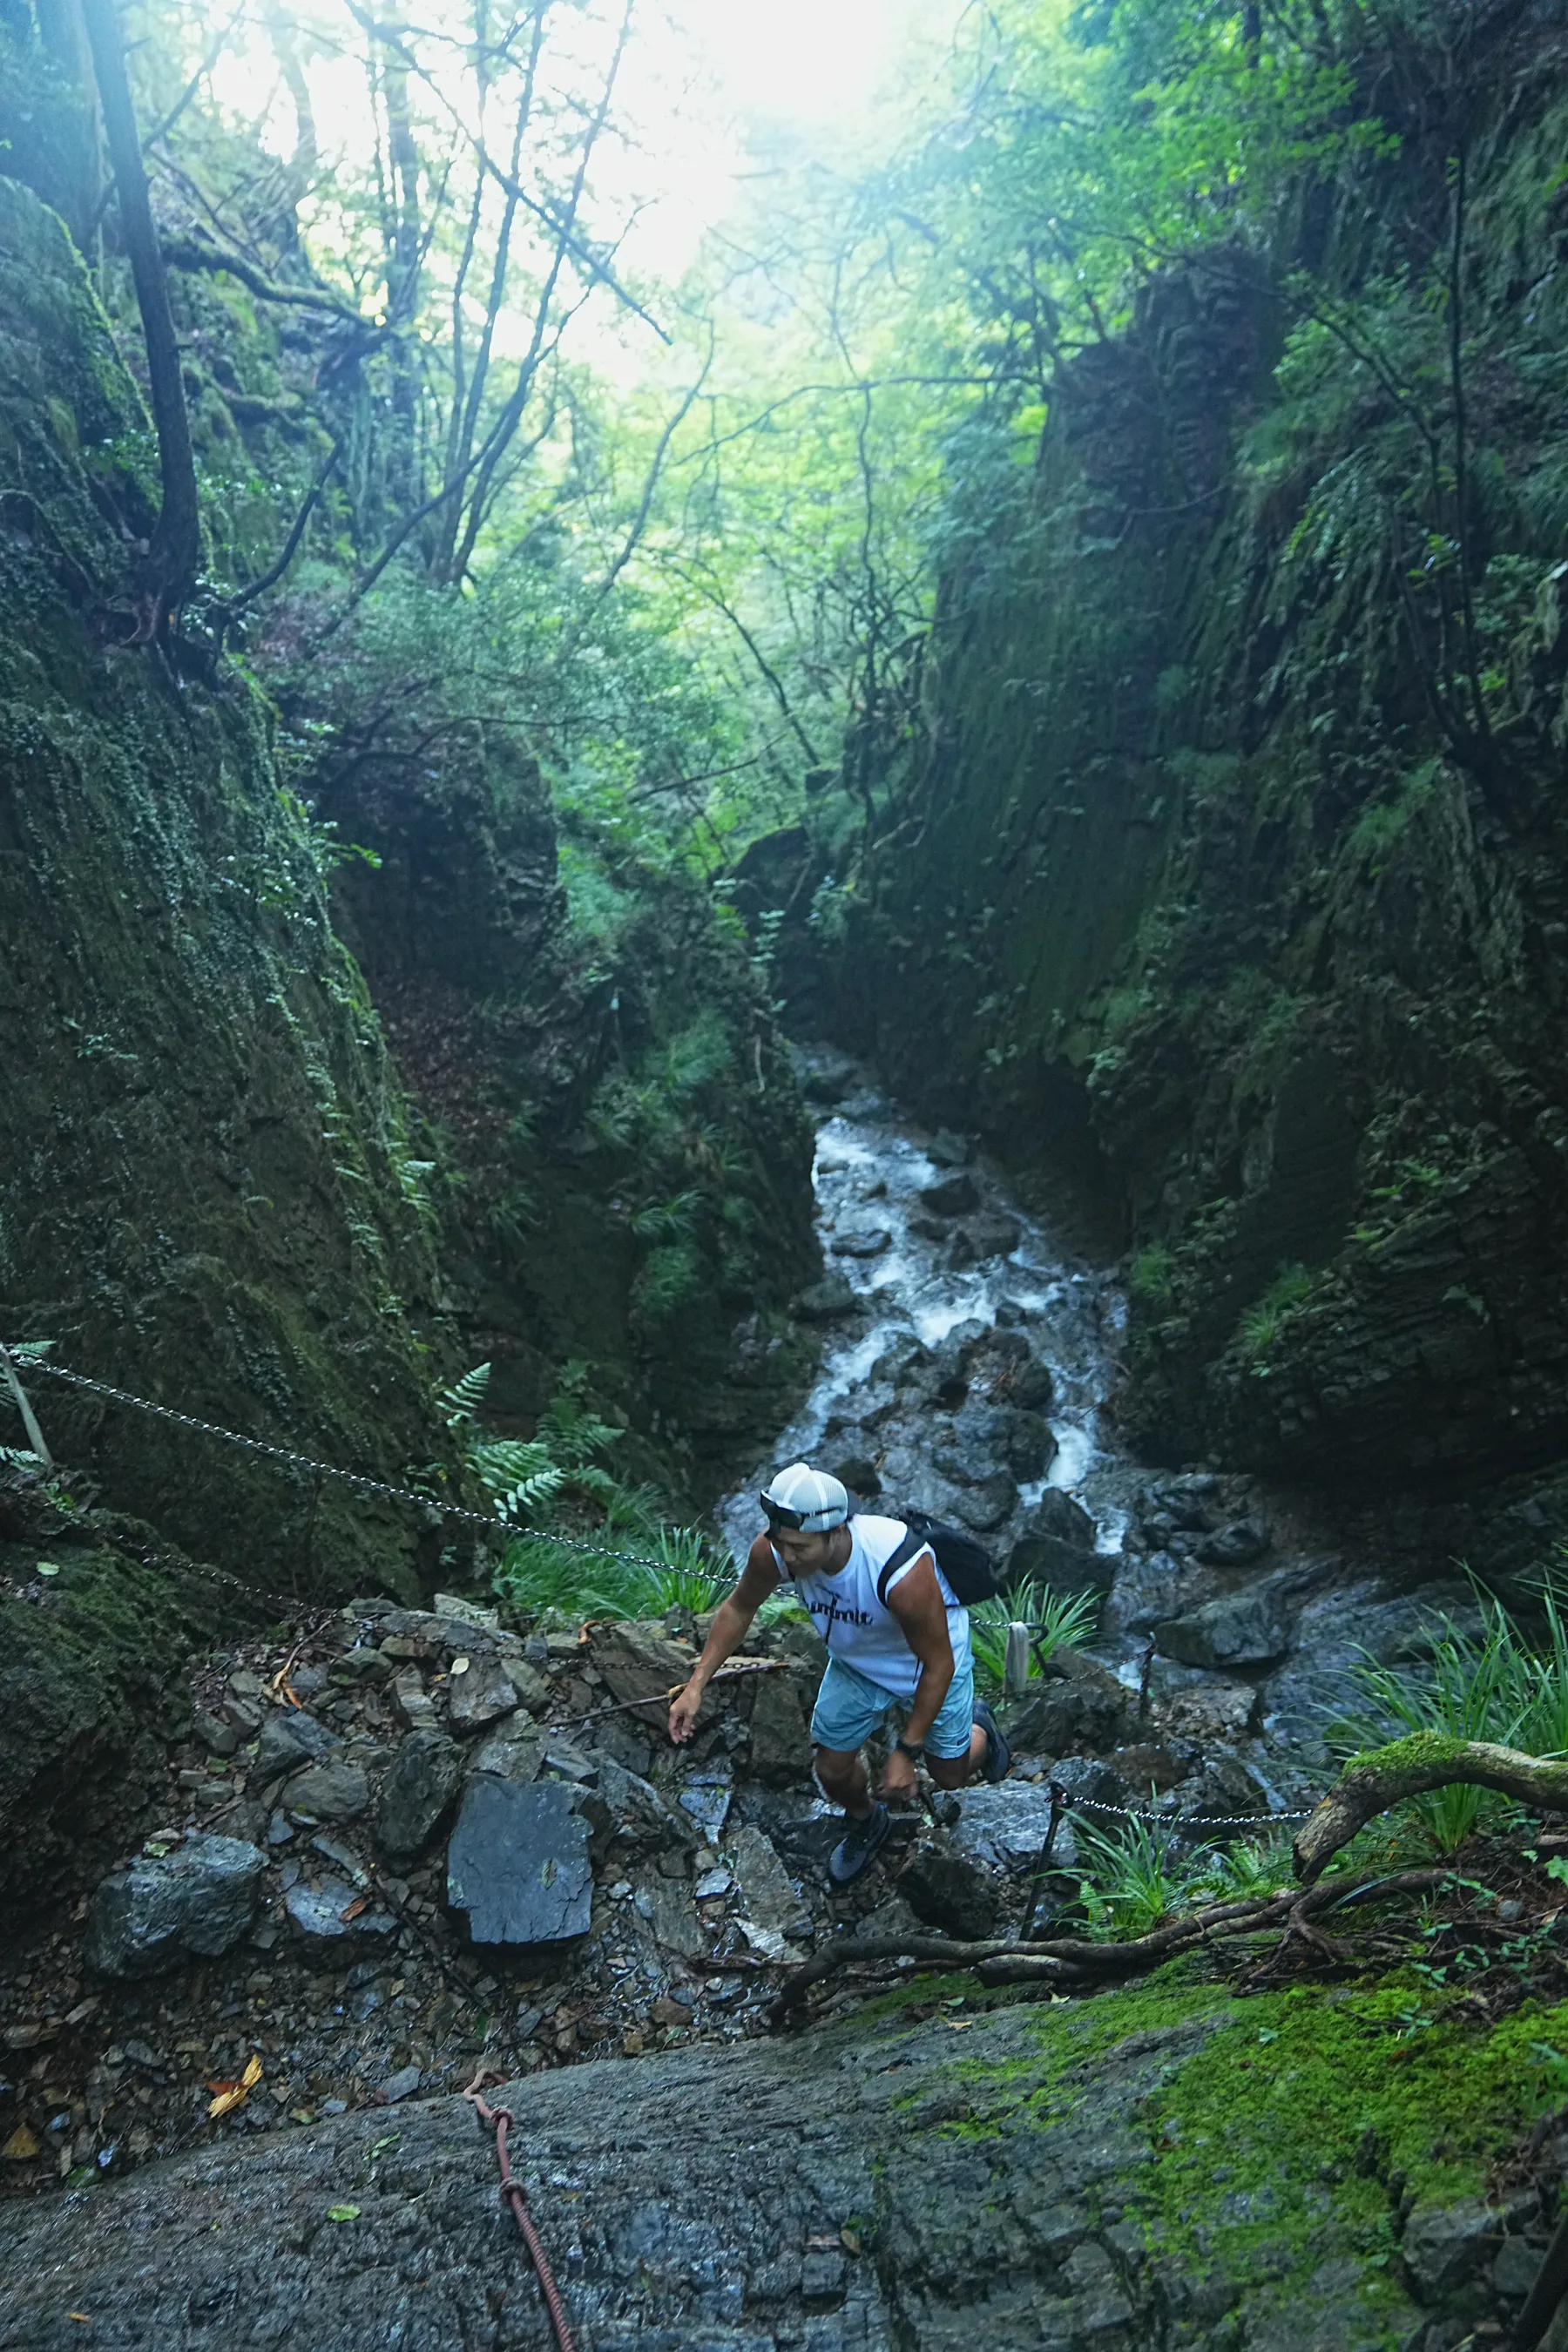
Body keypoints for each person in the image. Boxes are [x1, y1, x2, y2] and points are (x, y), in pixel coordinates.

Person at [668, 1462, 1010, 1886]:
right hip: (857, 1663)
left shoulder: (899, 1568)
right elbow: (739, 1607)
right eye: (781, 1542)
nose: (787, 1557)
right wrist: (696, 1685)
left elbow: (939, 1664)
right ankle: (869, 1822)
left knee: (950, 1775)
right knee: (831, 1770)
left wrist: (905, 1754)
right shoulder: (774, 1551)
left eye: (799, 1548)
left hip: (926, 1664)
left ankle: (983, 1730)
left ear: (836, 1532)